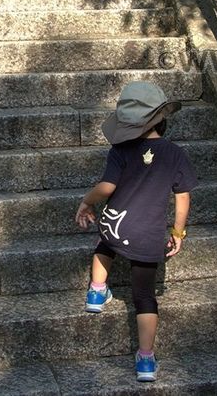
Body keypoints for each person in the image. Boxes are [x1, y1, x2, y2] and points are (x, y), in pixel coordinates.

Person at [74, 81, 197, 383]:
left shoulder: (120, 150)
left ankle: (96, 291)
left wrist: (86, 201)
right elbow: (183, 196)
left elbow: (107, 187)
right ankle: (145, 359)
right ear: (161, 121)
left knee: (105, 245)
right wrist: (178, 233)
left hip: (115, 222)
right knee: (144, 295)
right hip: (148, 234)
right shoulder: (175, 154)